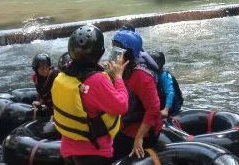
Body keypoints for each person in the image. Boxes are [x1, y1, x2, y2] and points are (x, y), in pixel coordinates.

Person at [51, 25, 129, 165]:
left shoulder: (63, 74)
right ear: (101, 52)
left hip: (68, 150)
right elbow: (122, 106)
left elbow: (86, 93)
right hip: (93, 152)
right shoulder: (97, 81)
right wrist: (118, 77)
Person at [111, 30, 162, 160]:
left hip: (140, 131)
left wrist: (139, 137)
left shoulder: (141, 76)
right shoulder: (120, 71)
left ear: (128, 54)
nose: (114, 54)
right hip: (124, 125)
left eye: (118, 50)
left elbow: (153, 108)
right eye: (113, 48)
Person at [150, 51, 183, 118]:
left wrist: (166, 109)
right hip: (162, 99)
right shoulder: (153, 73)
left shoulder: (164, 76)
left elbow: (170, 93)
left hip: (174, 105)